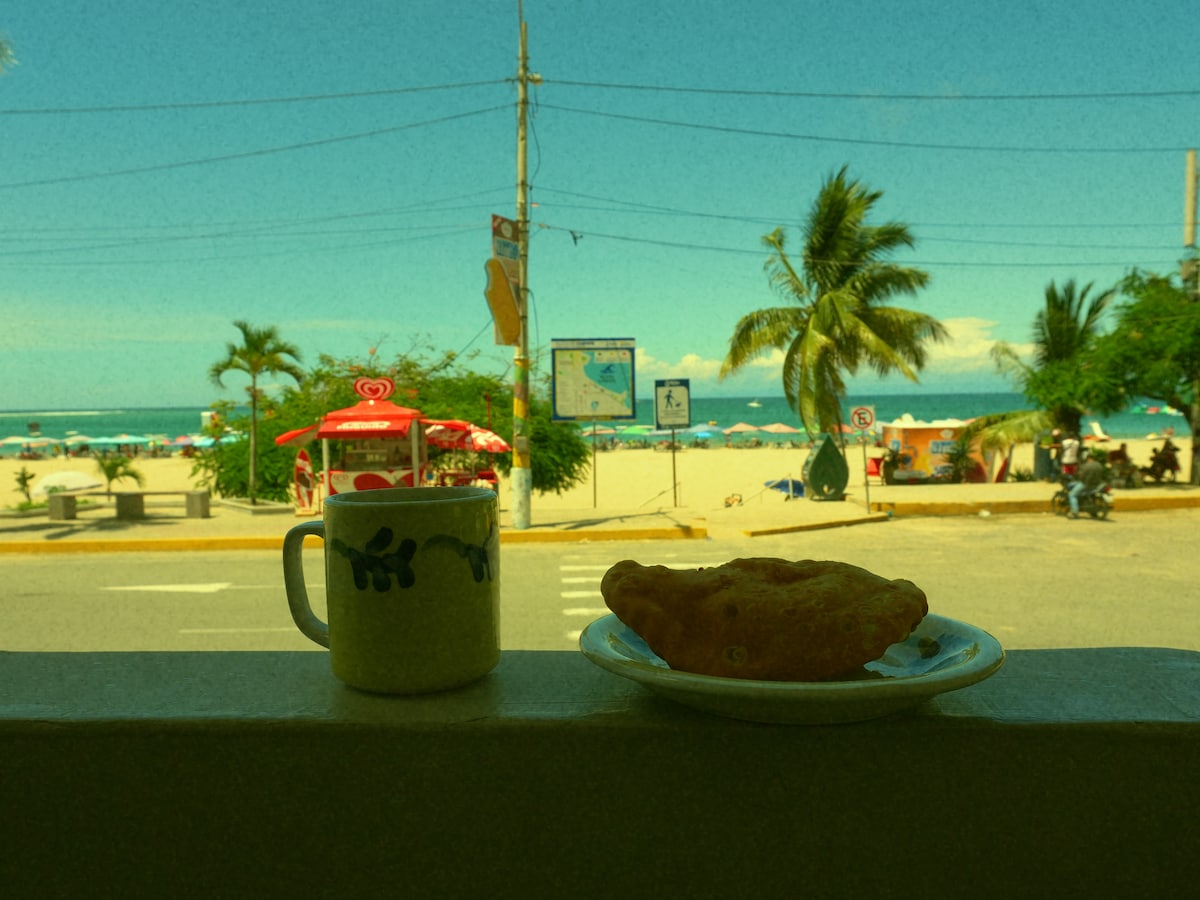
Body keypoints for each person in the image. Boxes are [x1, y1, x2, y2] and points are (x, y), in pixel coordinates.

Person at [1068, 454, 1105, 519]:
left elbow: (1081, 476)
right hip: (1096, 485)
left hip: (1086, 485)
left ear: (1088, 458)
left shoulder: (1086, 466)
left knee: (1072, 495)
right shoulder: (1099, 465)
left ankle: (1075, 512)